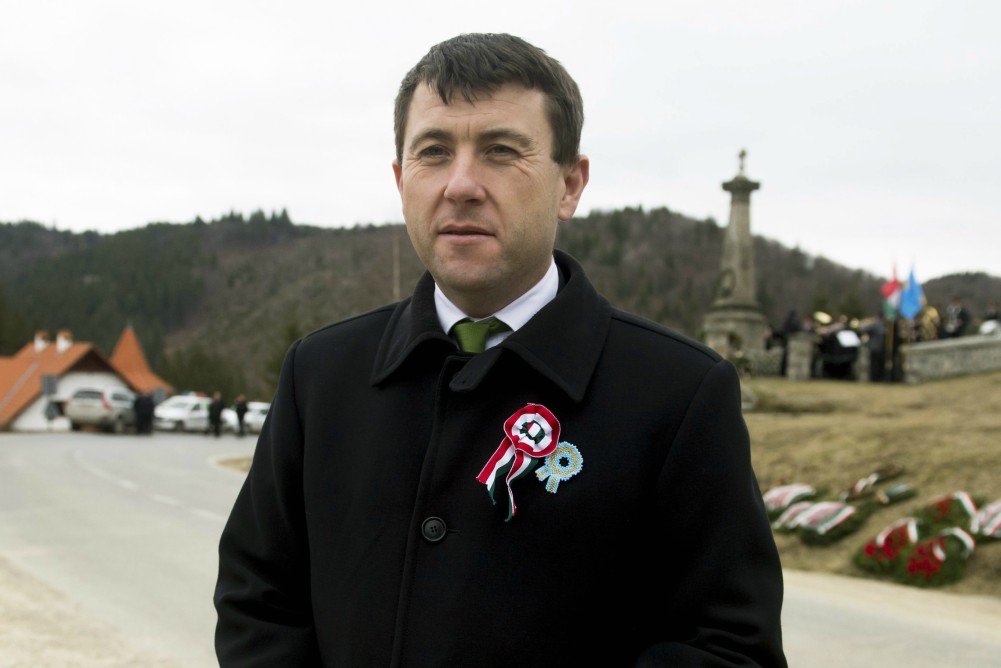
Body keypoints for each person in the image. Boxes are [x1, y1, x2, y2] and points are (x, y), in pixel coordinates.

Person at [214, 33, 786, 667]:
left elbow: (729, 648)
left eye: (500, 151)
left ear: (570, 184)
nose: (461, 185)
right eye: (434, 152)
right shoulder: (320, 375)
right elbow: (258, 602)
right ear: (401, 180)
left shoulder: (679, 395)